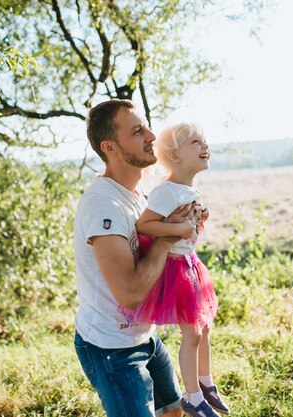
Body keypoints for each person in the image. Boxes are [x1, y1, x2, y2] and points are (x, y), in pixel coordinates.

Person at [73, 99, 188, 417]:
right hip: (112, 348)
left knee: (174, 411)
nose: (152, 136)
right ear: (109, 147)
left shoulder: (139, 197)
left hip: (144, 335)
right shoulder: (104, 205)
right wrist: (166, 236)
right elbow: (130, 293)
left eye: (147, 127)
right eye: (138, 131)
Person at [119, 122, 230, 417]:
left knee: (204, 327)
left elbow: (191, 223)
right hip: (173, 268)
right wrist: (179, 227)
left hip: (190, 264)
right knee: (192, 332)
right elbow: (145, 224)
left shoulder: (188, 189)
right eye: (196, 142)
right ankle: (192, 396)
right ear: (176, 156)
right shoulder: (167, 191)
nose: (205, 146)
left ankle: (205, 383)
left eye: (205, 141)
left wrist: (200, 215)